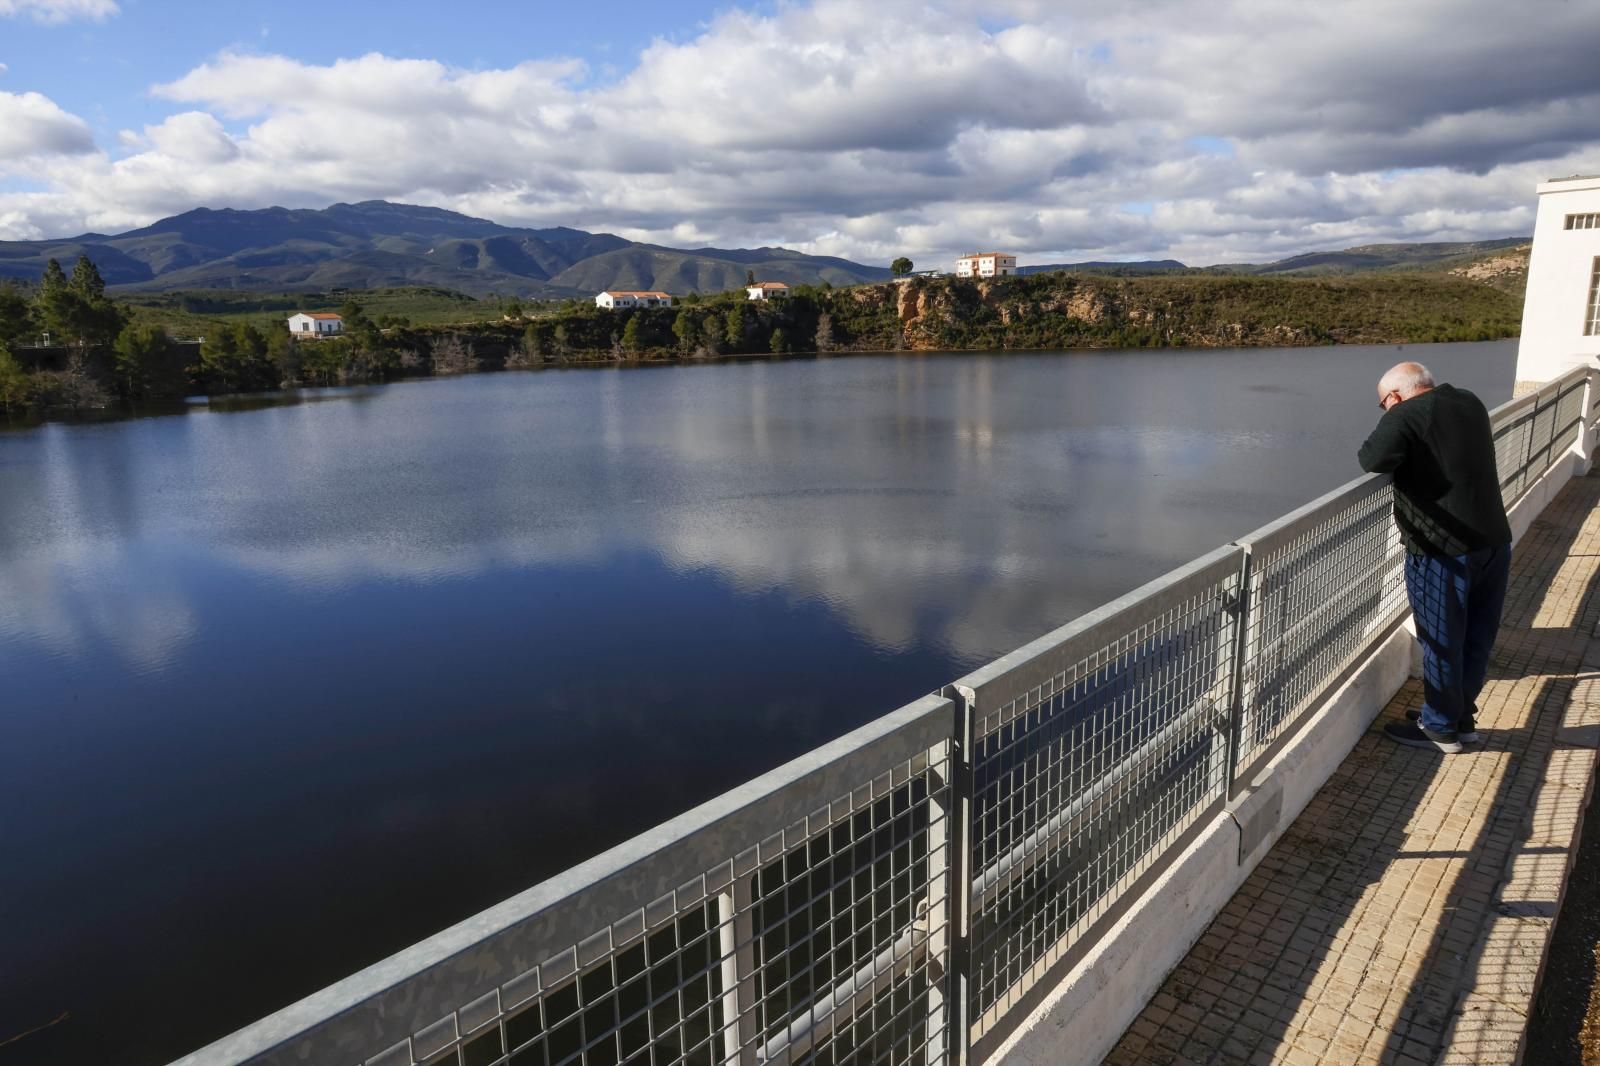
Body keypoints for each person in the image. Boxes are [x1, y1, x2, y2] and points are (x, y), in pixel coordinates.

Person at [1358, 361, 1511, 754]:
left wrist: (1395, 421)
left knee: (1441, 638)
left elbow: (1372, 459)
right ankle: (1461, 718)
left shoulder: (1406, 412)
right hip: (1493, 539)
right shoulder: (1469, 402)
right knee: (1477, 634)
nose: (1386, 410)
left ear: (1394, 395)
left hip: (1442, 550)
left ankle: (1441, 728)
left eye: (1383, 405)